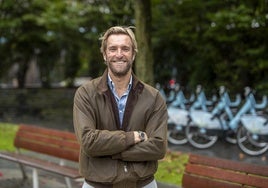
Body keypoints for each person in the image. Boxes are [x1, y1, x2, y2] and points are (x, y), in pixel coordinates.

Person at [73, 26, 168, 188]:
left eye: (125, 48)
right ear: (104, 54)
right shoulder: (85, 93)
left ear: (133, 54)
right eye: (112, 49)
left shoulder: (153, 97)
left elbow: (158, 147)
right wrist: (132, 138)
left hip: (143, 184)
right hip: (97, 184)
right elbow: (88, 142)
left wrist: (110, 151)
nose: (119, 54)